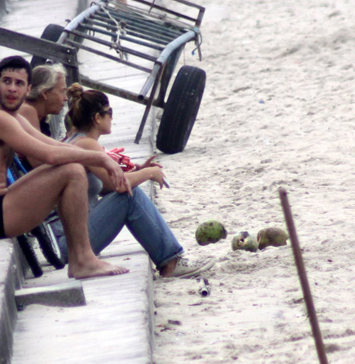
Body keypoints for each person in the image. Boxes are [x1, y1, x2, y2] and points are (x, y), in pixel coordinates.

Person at [17, 64, 214, 278]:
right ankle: (171, 261)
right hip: (64, 243)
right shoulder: (77, 140)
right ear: (97, 118)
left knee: (126, 194)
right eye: (109, 113)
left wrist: (130, 170)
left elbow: (105, 186)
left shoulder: (69, 139)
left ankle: (171, 258)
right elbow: (117, 186)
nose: (64, 97)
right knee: (130, 197)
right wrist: (148, 174)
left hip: (64, 238)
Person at [0, 56, 129, 280]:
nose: (12, 88)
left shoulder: (12, 116)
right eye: (7, 81)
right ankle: (83, 260)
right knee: (72, 171)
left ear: (28, 89)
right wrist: (101, 159)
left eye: (19, 84)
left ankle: (81, 258)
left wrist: (99, 156)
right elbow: (50, 155)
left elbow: (52, 144)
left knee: (74, 167)